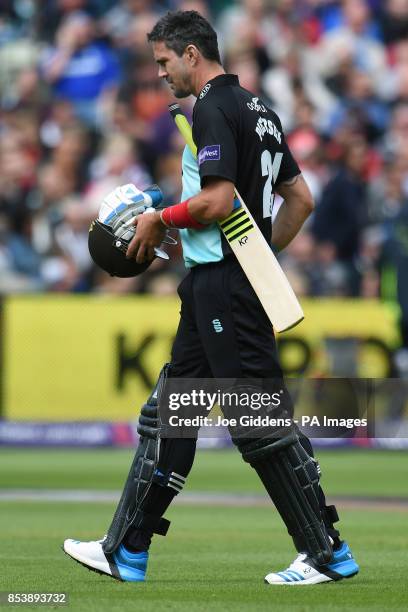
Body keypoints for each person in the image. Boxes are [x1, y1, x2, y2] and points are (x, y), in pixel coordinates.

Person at [63, 10, 359, 585]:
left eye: (164, 62)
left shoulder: (215, 109)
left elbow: (218, 201)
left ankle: (325, 551)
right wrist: (258, 256)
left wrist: (160, 219)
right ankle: (126, 549)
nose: (161, 74)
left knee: (257, 421)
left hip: (225, 288)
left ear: (192, 54)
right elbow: (300, 199)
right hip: (215, 285)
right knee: (169, 416)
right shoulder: (260, 111)